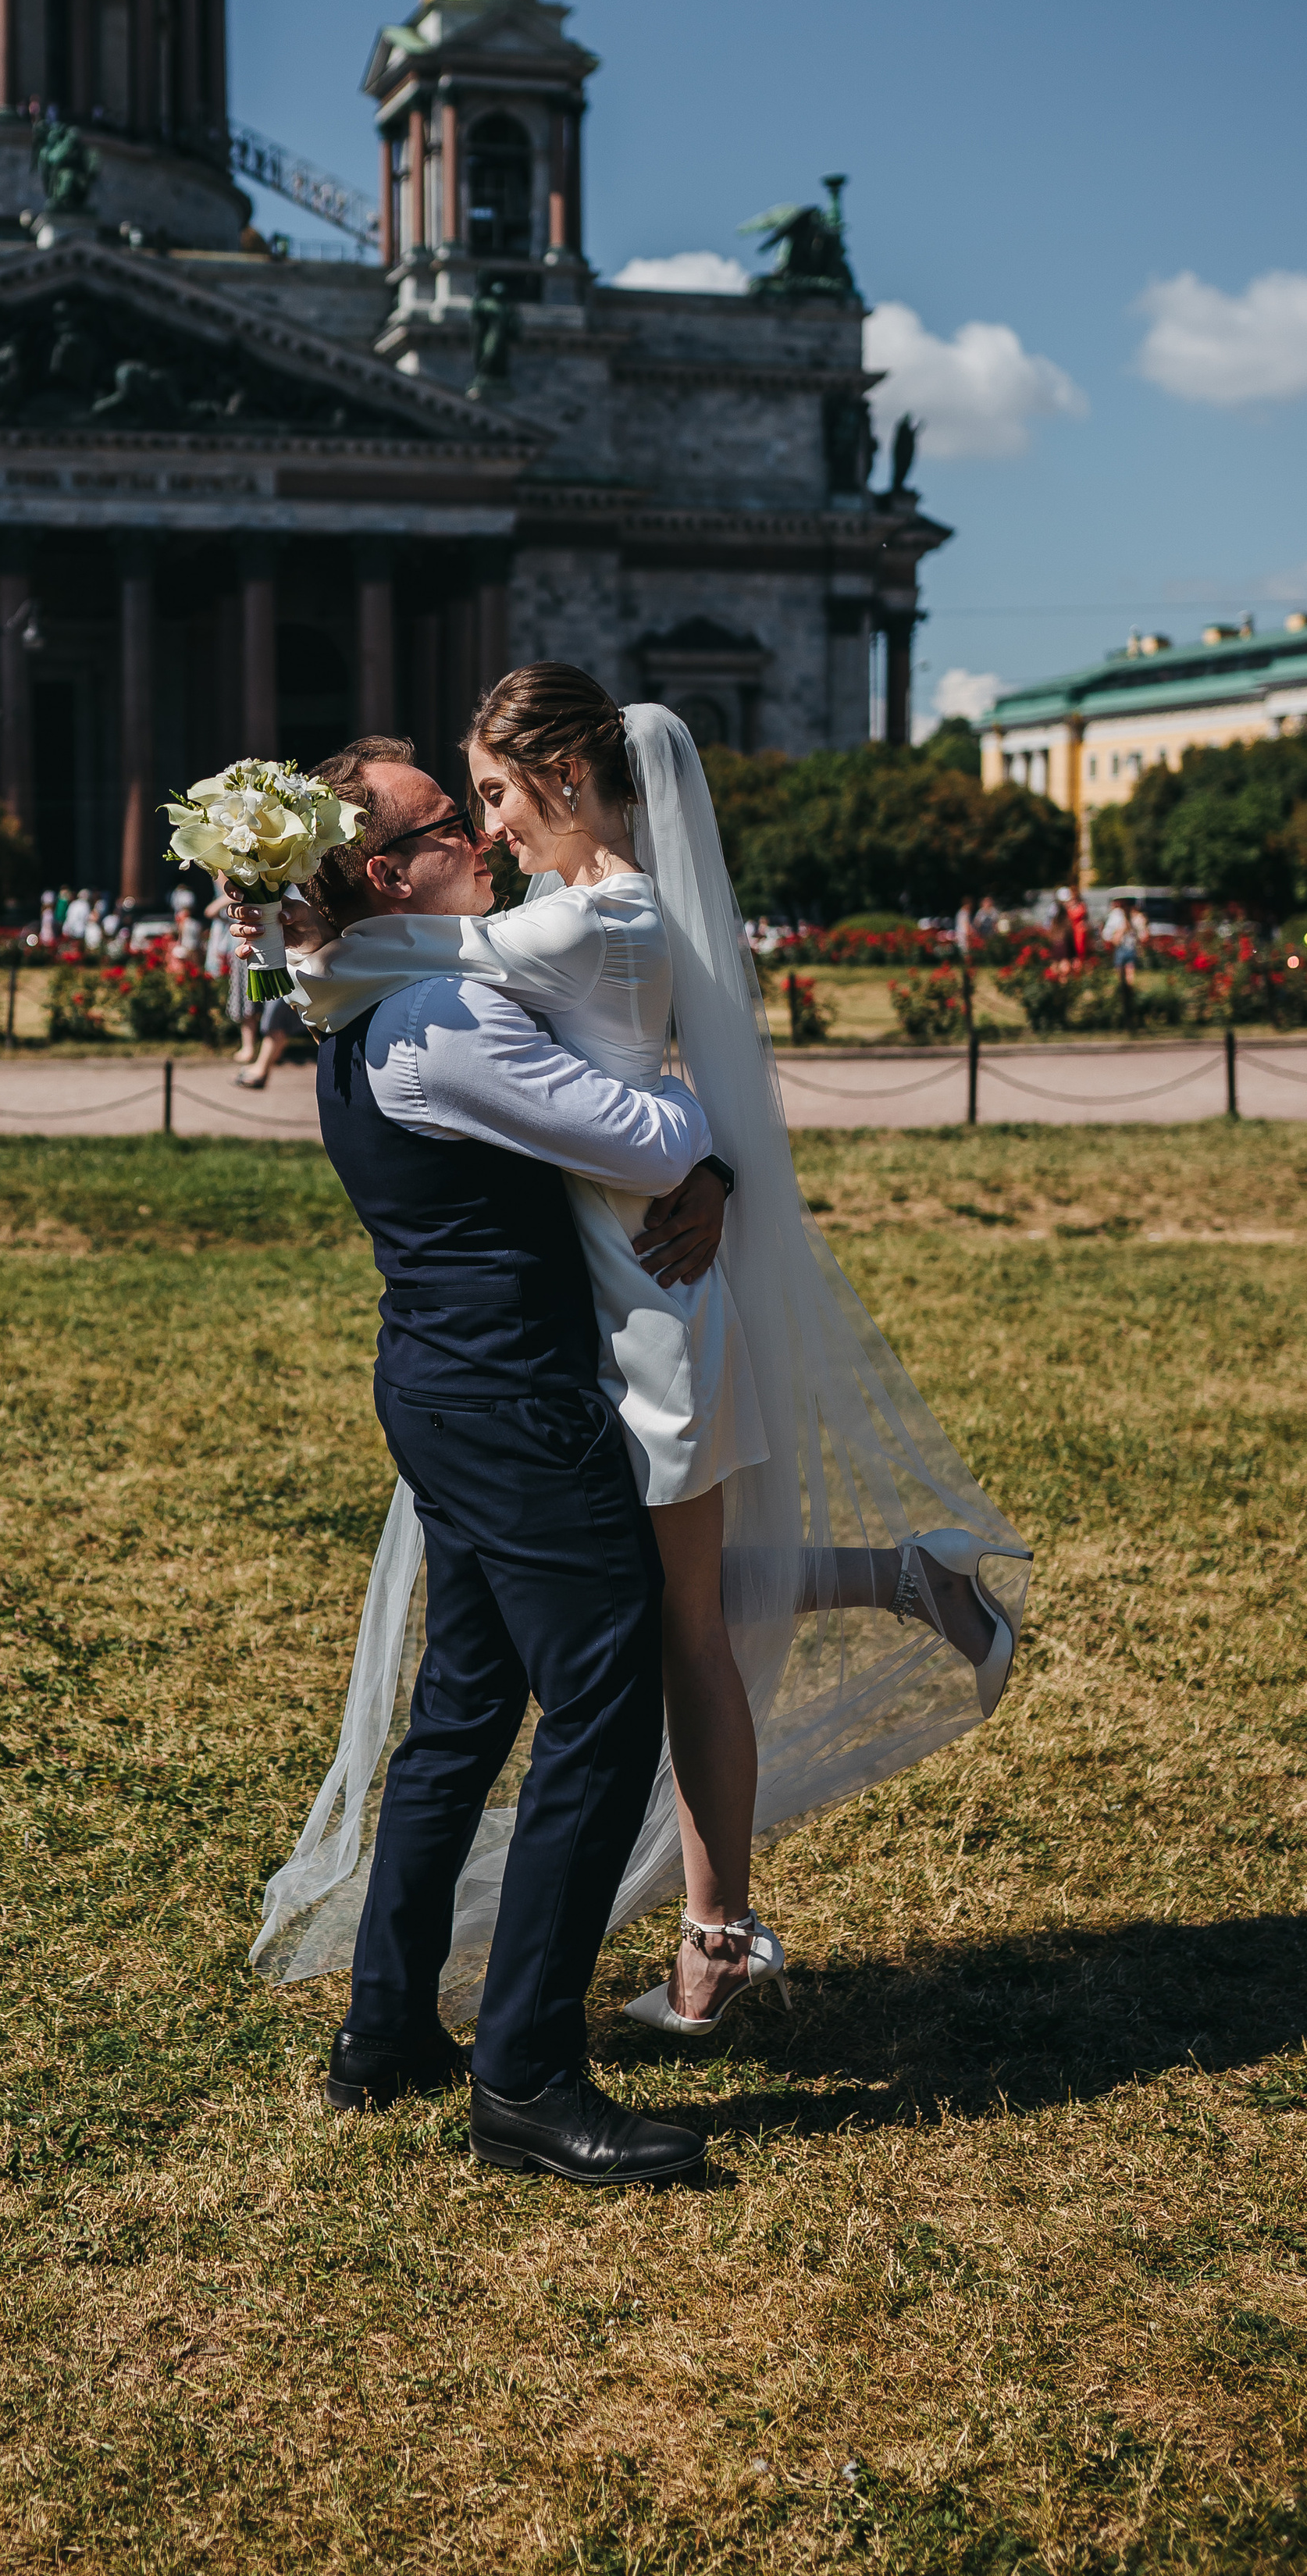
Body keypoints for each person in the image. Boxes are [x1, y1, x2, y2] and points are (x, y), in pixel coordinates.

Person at [251, 676, 1030, 2054]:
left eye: (490, 793)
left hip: (638, 1303)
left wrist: (302, 928)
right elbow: (418, 981)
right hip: (596, 1306)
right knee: (648, 1604)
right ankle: (904, 1583)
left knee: (667, 1632)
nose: (484, 833)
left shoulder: (578, 920)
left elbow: (406, 976)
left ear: (560, 775)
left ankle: (709, 1948)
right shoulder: (502, 954)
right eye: (461, 813)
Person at [244, 731, 720, 2185]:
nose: (490, 840)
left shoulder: (354, 992)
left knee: (464, 1706)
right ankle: (527, 2072)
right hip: (509, 1400)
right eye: (454, 823)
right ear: (395, 870)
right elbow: (642, 1139)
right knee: (604, 1694)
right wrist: (713, 1139)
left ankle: (387, 2025)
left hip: (441, 1387)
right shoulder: (438, 1022)